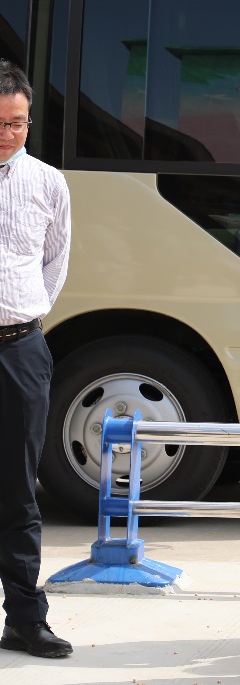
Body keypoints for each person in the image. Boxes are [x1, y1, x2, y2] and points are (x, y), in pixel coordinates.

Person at [0, 61, 73, 661]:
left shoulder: (48, 183)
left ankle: (25, 619)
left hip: (20, 349)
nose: (8, 134)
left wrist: (24, 314)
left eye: (17, 123)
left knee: (19, 490)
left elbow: (55, 262)